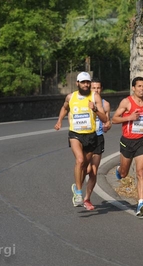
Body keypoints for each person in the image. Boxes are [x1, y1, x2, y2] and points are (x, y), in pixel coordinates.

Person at [54, 72, 108, 210]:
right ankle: (78, 193)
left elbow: (104, 119)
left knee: (85, 166)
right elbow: (64, 108)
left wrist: (95, 109)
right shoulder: (70, 97)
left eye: (87, 82)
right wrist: (59, 121)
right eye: (83, 82)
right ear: (77, 83)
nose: (86, 85)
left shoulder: (95, 96)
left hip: (91, 136)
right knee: (79, 160)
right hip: (75, 134)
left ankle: (77, 188)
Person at [111, 76, 143, 216]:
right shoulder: (126, 102)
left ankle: (141, 203)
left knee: (140, 172)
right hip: (127, 141)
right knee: (124, 173)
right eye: (139, 86)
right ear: (133, 88)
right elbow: (114, 119)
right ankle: (119, 169)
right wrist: (128, 118)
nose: (142, 89)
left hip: (142, 141)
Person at [84, 77, 112, 210]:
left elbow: (108, 121)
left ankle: (87, 199)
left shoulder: (105, 104)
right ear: (90, 88)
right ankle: (78, 184)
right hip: (85, 138)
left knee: (93, 171)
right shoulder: (83, 101)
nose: (96, 90)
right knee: (86, 168)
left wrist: (107, 126)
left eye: (98, 88)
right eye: (94, 88)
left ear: (101, 89)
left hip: (98, 137)